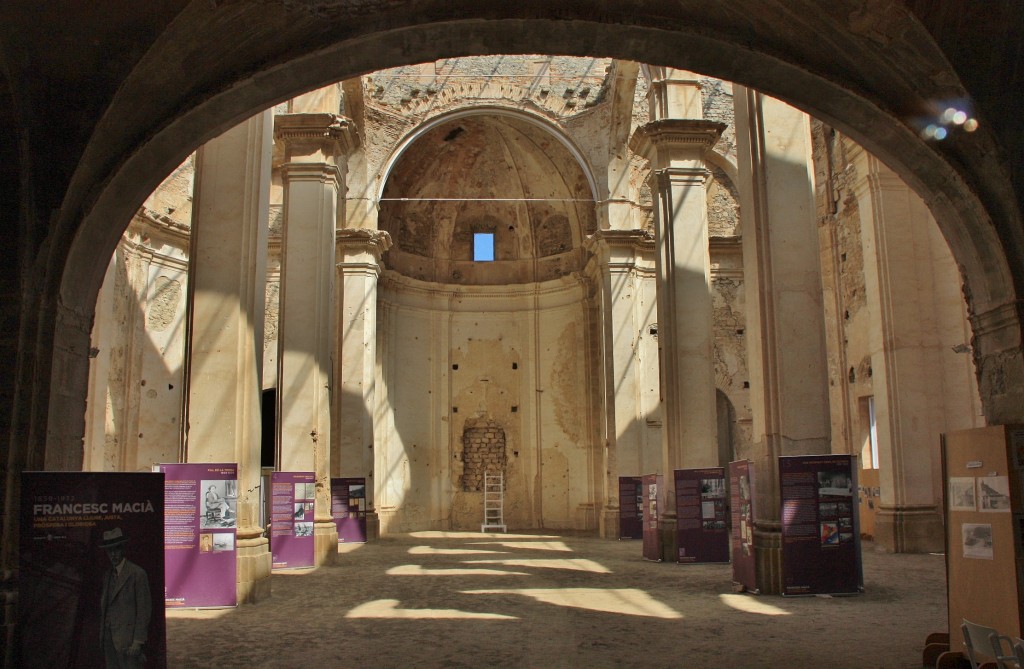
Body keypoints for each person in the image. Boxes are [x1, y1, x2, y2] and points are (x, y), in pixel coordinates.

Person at [99, 527, 151, 669]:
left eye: (116, 550)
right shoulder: (107, 575)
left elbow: (144, 610)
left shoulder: (137, 574)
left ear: (123, 549)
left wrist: (138, 642)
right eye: (109, 551)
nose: (113, 555)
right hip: (109, 640)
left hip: (128, 642)